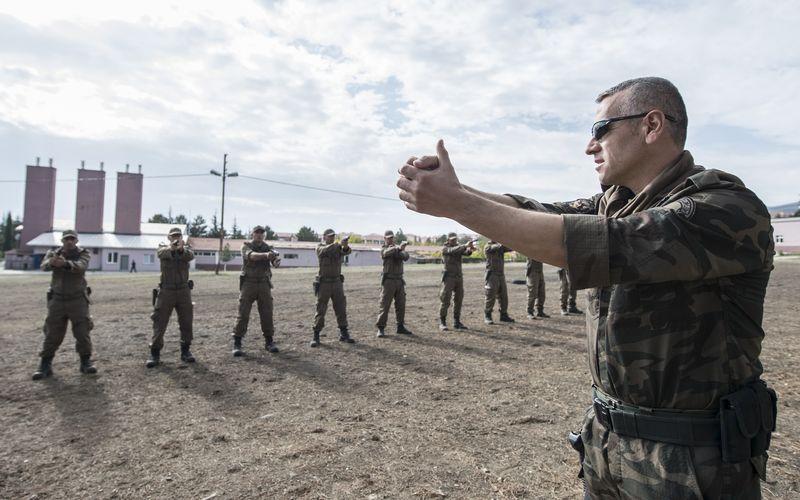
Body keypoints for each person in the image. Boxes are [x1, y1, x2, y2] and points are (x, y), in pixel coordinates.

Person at [396, 77, 776, 498]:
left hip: (690, 458)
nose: (589, 146)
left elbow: (600, 243)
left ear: (651, 126)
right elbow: (537, 213)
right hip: (608, 441)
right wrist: (453, 190)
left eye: (600, 130)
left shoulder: (723, 207)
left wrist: (456, 203)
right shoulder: (616, 200)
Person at [32, 229, 96, 379]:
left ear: (76, 241)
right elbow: (43, 266)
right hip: (58, 299)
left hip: (77, 299)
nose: (69, 241)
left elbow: (81, 266)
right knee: (52, 332)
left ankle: (85, 362)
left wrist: (65, 264)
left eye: (72, 239)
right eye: (66, 239)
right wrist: (52, 262)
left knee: (82, 332)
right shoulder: (54, 253)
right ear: (62, 240)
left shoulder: (83, 253)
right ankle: (45, 364)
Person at [147, 227, 195, 367]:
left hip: (183, 290)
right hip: (166, 290)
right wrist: (173, 248)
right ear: (168, 237)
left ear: (182, 237)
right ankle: (155, 353)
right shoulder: (163, 247)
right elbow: (161, 253)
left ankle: (185, 351)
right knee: (159, 322)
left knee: (186, 321)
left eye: (178, 236)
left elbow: (190, 255)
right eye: (173, 236)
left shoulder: (186, 249)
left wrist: (180, 249)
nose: (176, 238)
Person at [232, 225, 281, 356]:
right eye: (257, 233)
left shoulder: (268, 247)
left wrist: (276, 262)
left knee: (267, 313)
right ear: (252, 234)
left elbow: (275, 263)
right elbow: (252, 256)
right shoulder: (246, 246)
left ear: (264, 235)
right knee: (243, 313)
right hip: (249, 283)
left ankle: (269, 342)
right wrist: (267, 255)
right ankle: (237, 343)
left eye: (261, 233)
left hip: (264, 284)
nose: (259, 235)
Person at [312, 229, 354, 347]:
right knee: (321, 309)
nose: (331, 238)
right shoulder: (320, 247)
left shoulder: (337, 247)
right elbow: (324, 251)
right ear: (324, 237)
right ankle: (316, 335)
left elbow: (347, 251)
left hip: (336, 283)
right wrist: (338, 244)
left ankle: (344, 333)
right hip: (324, 283)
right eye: (329, 236)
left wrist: (344, 245)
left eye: (333, 236)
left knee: (341, 308)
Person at [376, 230, 413, 337]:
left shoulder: (398, 248)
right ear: (384, 238)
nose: (390, 239)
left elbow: (406, 256)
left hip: (399, 281)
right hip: (388, 281)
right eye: (388, 238)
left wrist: (401, 250)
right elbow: (385, 253)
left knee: (401, 305)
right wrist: (397, 249)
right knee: (385, 305)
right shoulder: (384, 248)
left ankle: (400, 326)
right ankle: (381, 328)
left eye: (391, 237)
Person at [438, 233, 475, 331]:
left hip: (458, 277)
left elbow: (466, 253)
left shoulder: (458, 247)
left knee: (458, 300)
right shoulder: (445, 248)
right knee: (445, 299)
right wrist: (465, 246)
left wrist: (470, 249)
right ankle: (442, 322)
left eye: (455, 239)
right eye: (452, 239)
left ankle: (456, 322)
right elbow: (452, 251)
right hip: (449, 277)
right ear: (448, 240)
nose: (454, 241)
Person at [483, 240, 515, 325]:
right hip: (492, 274)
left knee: (504, 296)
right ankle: (488, 315)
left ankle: (503, 315)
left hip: (501, 274)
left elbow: (510, 248)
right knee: (490, 295)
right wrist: (502, 240)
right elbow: (497, 247)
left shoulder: (500, 246)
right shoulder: (488, 246)